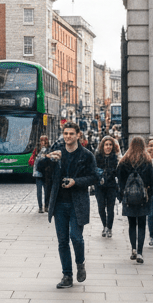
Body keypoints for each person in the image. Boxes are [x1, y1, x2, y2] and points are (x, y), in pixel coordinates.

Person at [46, 123, 99, 288]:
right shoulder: (58, 152)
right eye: (65, 133)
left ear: (78, 135)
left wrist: (76, 182)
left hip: (78, 203)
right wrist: (48, 159)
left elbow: (94, 177)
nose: (67, 136)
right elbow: (41, 170)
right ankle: (67, 276)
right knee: (62, 241)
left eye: (71, 133)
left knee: (76, 237)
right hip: (59, 203)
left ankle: (80, 262)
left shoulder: (86, 155)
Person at [117, 137, 153, 264]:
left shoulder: (124, 161)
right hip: (143, 197)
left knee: (132, 224)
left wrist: (122, 193)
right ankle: (140, 252)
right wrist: (150, 192)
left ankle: (133, 248)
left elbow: (120, 179)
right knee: (142, 224)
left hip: (129, 197)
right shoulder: (147, 161)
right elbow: (151, 179)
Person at [95, 135, 120, 237]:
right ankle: (104, 226)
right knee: (101, 207)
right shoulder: (97, 156)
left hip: (111, 185)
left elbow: (118, 172)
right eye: (106, 145)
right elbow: (93, 169)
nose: (108, 147)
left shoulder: (115, 157)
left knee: (110, 208)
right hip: (99, 185)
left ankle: (109, 228)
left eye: (110, 145)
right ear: (102, 146)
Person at [32, 134, 51, 213]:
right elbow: (35, 160)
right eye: (41, 140)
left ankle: (46, 206)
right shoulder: (37, 149)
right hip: (38, 173)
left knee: (47, 191)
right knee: (39, 191)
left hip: (46, 173)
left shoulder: (49, 149)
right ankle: (40, 207)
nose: (42, 142)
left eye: (44, 140)